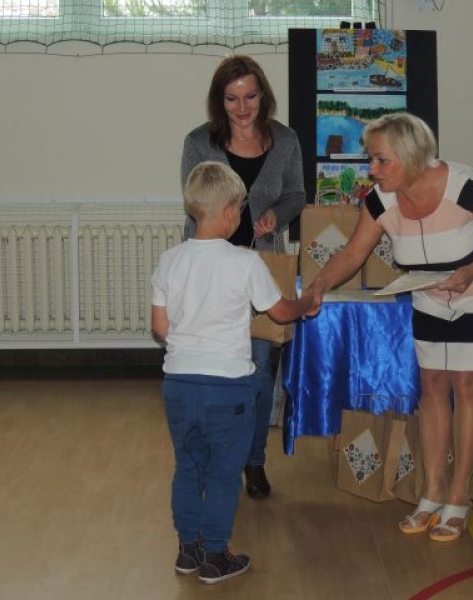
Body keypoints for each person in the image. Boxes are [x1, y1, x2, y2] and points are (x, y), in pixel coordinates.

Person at [307, 112, 473, 542]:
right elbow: (353, 254)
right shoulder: (380, 200)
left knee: (466, 384)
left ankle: (458, 496)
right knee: (432, 384)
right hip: (429, 293)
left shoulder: (465, 187)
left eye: (381, 160)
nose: (372, 169)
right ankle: (432, 493)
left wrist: (470, 272)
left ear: (410, 156)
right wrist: (318, 285)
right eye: (371, 159)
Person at [151, 162, 314, 583]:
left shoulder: (169, 260)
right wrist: (305, 304)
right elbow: (279, 312)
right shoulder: (245, 262)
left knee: (188, 467)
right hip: (228, 389)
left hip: (178, 385)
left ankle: (187, 550)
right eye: (240, 209)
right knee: (224, 474)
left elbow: (161, 328)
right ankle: (215, 556)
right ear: (228, 212)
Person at [181, 54, 306, 500]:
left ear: (263, 96)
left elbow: (297, 194)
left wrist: (277, 214)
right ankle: (217, 460)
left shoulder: (285, 139)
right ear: (219, 101)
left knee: (257, 371)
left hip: (262, 269)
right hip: (210, 274)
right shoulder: (199, 142)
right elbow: (194, 205)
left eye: (250, 97)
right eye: (232, 99)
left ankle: (253, 459)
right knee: (212, 373)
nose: (242, 108)